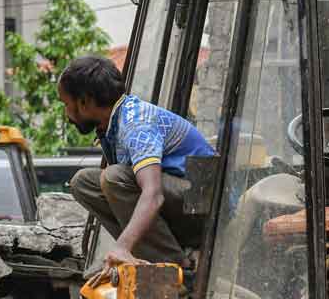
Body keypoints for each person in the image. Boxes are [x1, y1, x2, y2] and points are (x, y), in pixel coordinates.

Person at [58, 56, 215, 272]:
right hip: (183, 201)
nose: (66, 113)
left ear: (85, 102)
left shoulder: (136, 124)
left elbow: (153, 194)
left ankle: (175, 268)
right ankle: (148, 257)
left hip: (204, 208)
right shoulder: (112, 125)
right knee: (84, 182)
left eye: (66, 104)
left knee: (115, 178)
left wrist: (121, 246)